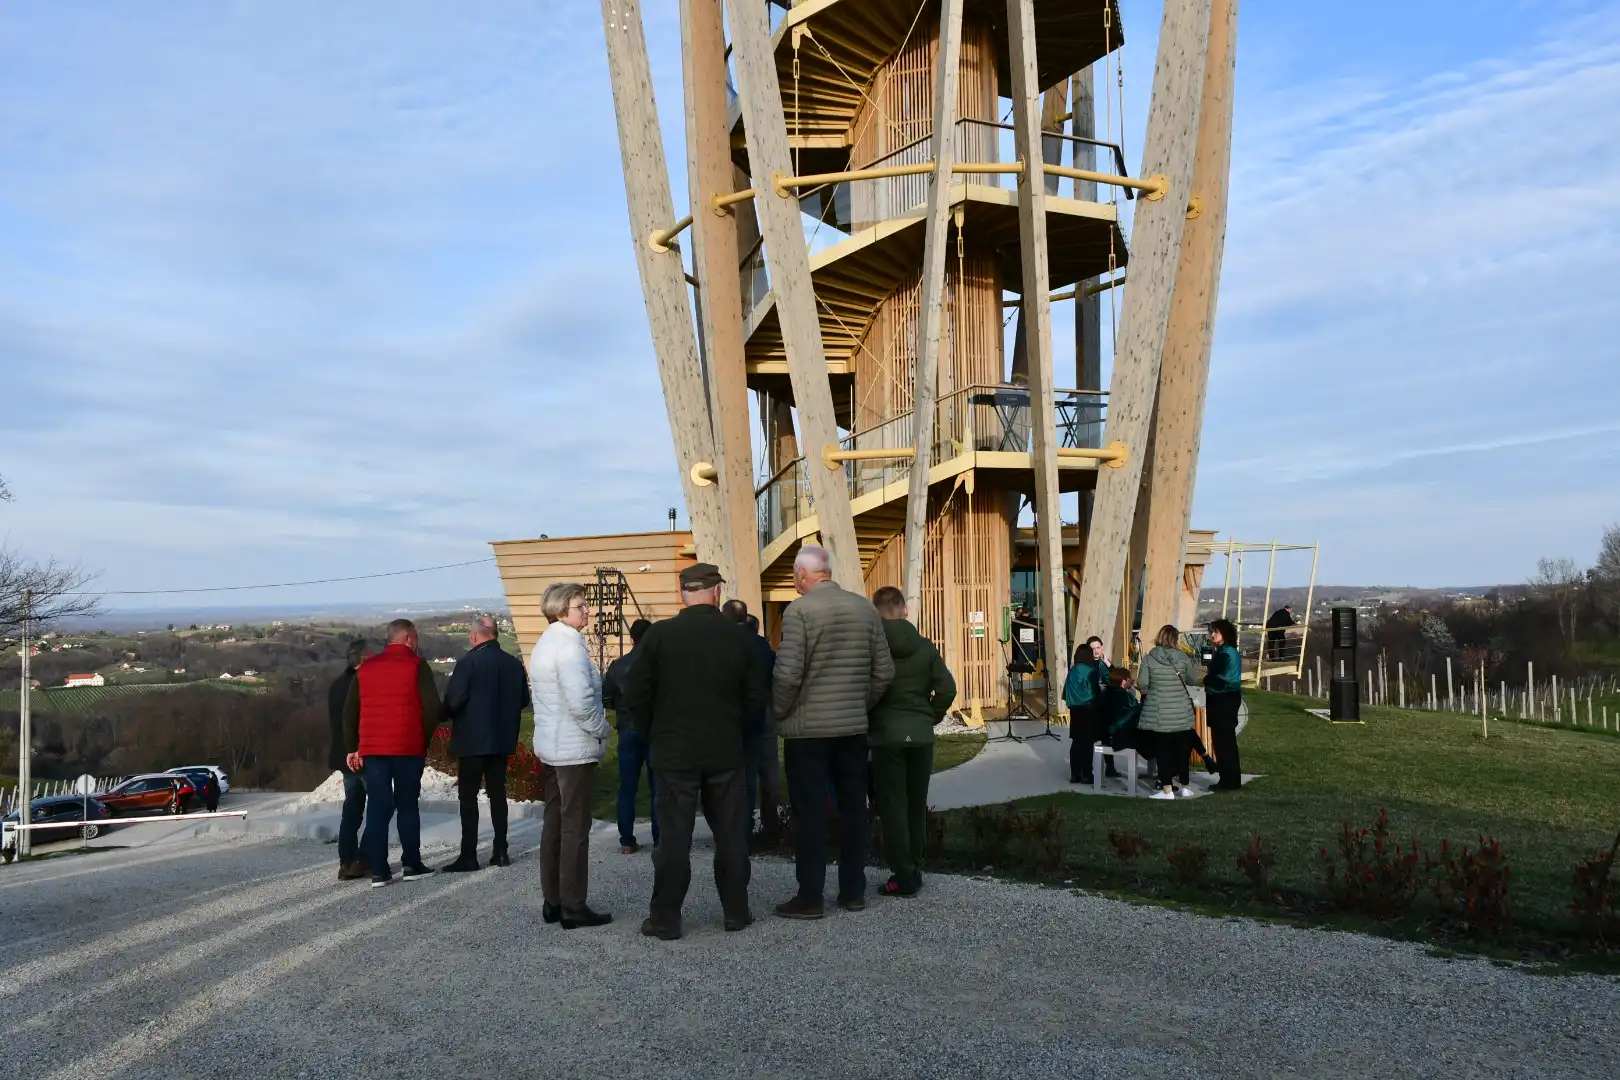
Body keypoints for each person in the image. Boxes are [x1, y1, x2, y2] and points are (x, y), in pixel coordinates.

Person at [624, 564, 767, 939]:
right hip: (725, 749)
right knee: (731, 835)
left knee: (673, 839)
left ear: (682, 593)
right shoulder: (740, 639)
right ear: (716, 592)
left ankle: (666, 918)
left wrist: (652, 731)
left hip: (674, 752)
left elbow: (635, 691)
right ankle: (736, 911)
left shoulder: (660, 637)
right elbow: (756, 699)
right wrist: (738, 733)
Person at [770, 545, 894, 919]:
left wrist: (778, 712)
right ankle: (852, 891)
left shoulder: (799, 612)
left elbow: (788, 674)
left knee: (810, 814)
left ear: (803, 575)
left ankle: (810, 897)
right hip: (852, 728)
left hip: (808, 732)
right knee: (854, 809)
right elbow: (884, 673)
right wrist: (859, 703)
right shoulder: (864, 609)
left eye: (795, 576)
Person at [530, 582, 613, 929]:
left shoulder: (544, 644)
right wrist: (602, 729)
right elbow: (581, 703)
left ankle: (554, 899)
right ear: (563, 610)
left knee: (554, 825)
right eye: (581, 606)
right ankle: (573, 906)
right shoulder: (568, 648)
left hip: (552, 746)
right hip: (572, 750)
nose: (588, 611)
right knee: (575, 829)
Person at [868, 587, 955, 898]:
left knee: (893, 806)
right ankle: (915, 866)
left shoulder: (873, 648)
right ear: (904, 610)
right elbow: (947, 688)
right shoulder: (925, 647)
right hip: (919, 735)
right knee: (916, 804)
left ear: (876, 613)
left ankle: (901, 874)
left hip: (886, 734)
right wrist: (929, 716)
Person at [343, 620, 442, 886]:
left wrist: (353, 747)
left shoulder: (365, 669)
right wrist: (423, 737)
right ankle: (411, 864)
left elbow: (350, 713)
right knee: (407, 805)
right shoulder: (417, 666)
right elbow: (432, 708)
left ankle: (379, 871)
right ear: (409, 638)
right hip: (408, 747)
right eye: (416, 638)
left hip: (374, 750)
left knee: (377, 807)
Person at [441, 615, 531, 872]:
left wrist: (445, 713)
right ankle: (500, 850)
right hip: (502, 739)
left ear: (474, 636)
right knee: (498, 795)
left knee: (468, 798)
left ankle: (468, 855)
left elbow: (454, 701)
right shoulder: (513, 664)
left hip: (472, 741)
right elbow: (524, 699)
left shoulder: (469, 662)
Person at [722, 603, 780, 846]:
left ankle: (741, 830)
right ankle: (772, 826)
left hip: (736, 713)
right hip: (766, 711)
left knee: (743, 775)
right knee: (769, 771)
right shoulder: (764, 648)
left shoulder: (725, 644)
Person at [601, 618, 657, 854]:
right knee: (659, 787)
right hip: (655, 731)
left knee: (627, 787)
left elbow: (605, 697)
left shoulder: (618, 666)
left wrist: (621, 709)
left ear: (632, 638)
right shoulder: (659, 666)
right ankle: (660, 837)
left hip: (628, 729)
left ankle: (626, 840)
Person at [1134, 625, 1200, 800]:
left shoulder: (1149, 659)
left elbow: (1142, 684)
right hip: (1181, 714)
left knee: (1163, 753)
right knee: (1181, 751)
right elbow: (1193, 680)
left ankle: (1167, 791)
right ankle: (1186, 787)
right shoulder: (1182, 657)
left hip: (1159, 714)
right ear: (1175, 639)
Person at [328, 640, 369, 880]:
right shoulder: (361, 684)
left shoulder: (336, 685)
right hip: (360, 754)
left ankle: (346, 860)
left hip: (343, 757)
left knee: (352, 810)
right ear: (363, 660)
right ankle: (363, 859)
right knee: (378, 808)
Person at [1061, 636, 1109, 784]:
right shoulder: (1091, 672)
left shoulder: (1072, 671)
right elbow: (1099, 692)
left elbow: (1065, 693)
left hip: (1074, 710)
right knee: (1088, 744)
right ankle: (1087, 774)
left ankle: (1075, 775)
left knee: (1076, 743)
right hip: (1089, 710)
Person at [1204, 618, 1244, 791]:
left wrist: (1208, 679)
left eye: (1216, 631)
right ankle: (1231, 779)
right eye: (1211, 631)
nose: (1212, 635)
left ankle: (1227, 780)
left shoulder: (1225, 653)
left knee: (1222, 742)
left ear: (1225, 633)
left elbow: (1223, 679)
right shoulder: (1227, 651)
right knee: (1226, 742)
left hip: (1223, 701)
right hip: (1226, 700)